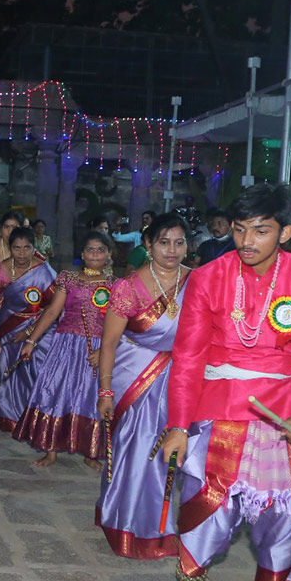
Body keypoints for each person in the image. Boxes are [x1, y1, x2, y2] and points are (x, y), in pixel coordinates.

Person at [161, 183, 291, 581]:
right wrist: (178, 424)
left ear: (286, 231)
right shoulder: (207, 277)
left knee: (284, 517)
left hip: (284, 410)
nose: (247, 241)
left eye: (261, 230)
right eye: (239, 230)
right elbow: (188, 358)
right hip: (221, 404)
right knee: (211, 501)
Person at [95, 214, 191, 559]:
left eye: (179, 242)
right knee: (134, 451)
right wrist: (105, 391)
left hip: (180, 378)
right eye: (164, 242)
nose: (172, 250)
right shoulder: (129, 286)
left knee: (170, 453)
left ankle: (158, 527)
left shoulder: (196, 282)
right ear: (148, 246)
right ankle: (126, 525)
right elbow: (109, 343)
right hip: (133, 374)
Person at [12, 232, 115, 469]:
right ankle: (51, 449)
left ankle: (90, 451)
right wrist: (32, 341)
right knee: (55, 392)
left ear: (109, 254)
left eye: (101, 250)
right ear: (82, 254)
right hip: (64, 346)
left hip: (97, 348)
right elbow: (52, 312)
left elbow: (118, 324)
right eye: (90, 249)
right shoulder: (67, 278)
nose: (95, 254)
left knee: (90, 396)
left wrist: (106, 352)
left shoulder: (116, 285)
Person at [0, 227, 59, 429]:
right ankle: (11, 417)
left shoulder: (45, 272)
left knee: (37, 374)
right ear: (9, 248)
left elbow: (54, 308)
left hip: (40, 328)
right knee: (8, 373)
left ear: (33, 248)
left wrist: (29, 332)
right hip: (7, 325)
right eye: (17, 248)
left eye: (26, 248)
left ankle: (36, 421)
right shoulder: (1, 269)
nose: (21, 253)